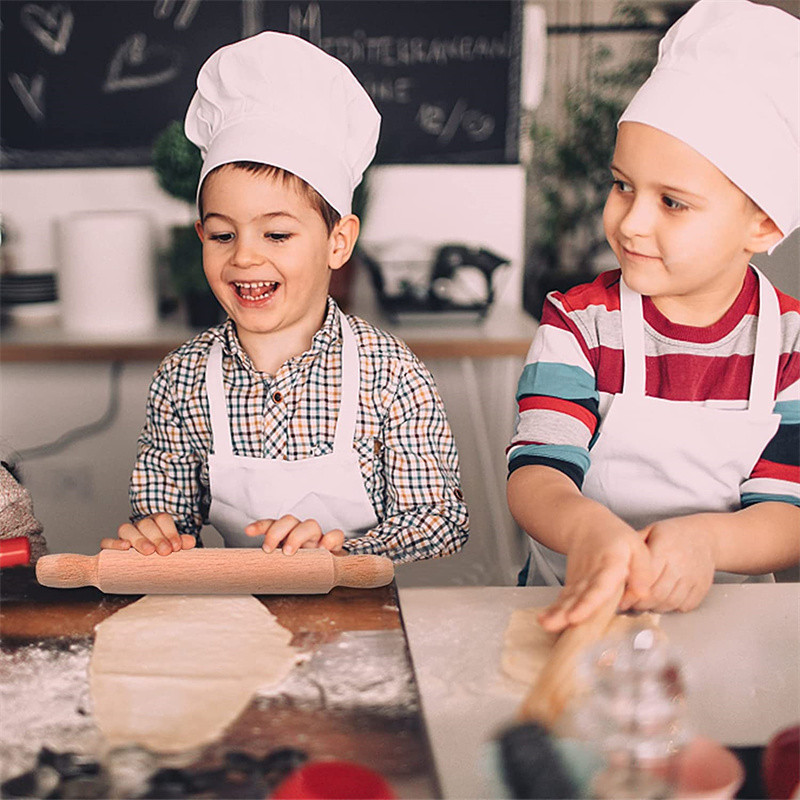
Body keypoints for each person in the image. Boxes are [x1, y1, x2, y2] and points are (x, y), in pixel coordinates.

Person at [102, 32, 468, 561]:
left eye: (276, 234)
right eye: (223, 235)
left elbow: (440, 521)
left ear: (337, 242)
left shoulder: (390, 374)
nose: (245, 258)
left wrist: (346, 551)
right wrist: (155, 535)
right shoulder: (181, 379)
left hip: (363, 624)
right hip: (234, 624)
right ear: (201, 236)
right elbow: (166, 518)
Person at [507, 0, 799, 630]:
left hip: (732, 628)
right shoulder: (580, 323)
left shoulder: (792, 347)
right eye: (623, 185)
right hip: (573, 611)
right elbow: (537, 474)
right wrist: (587, 530)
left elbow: (787, 513)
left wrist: (709, 543)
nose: (631, 222)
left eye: (673, 202)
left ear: (765, 222)